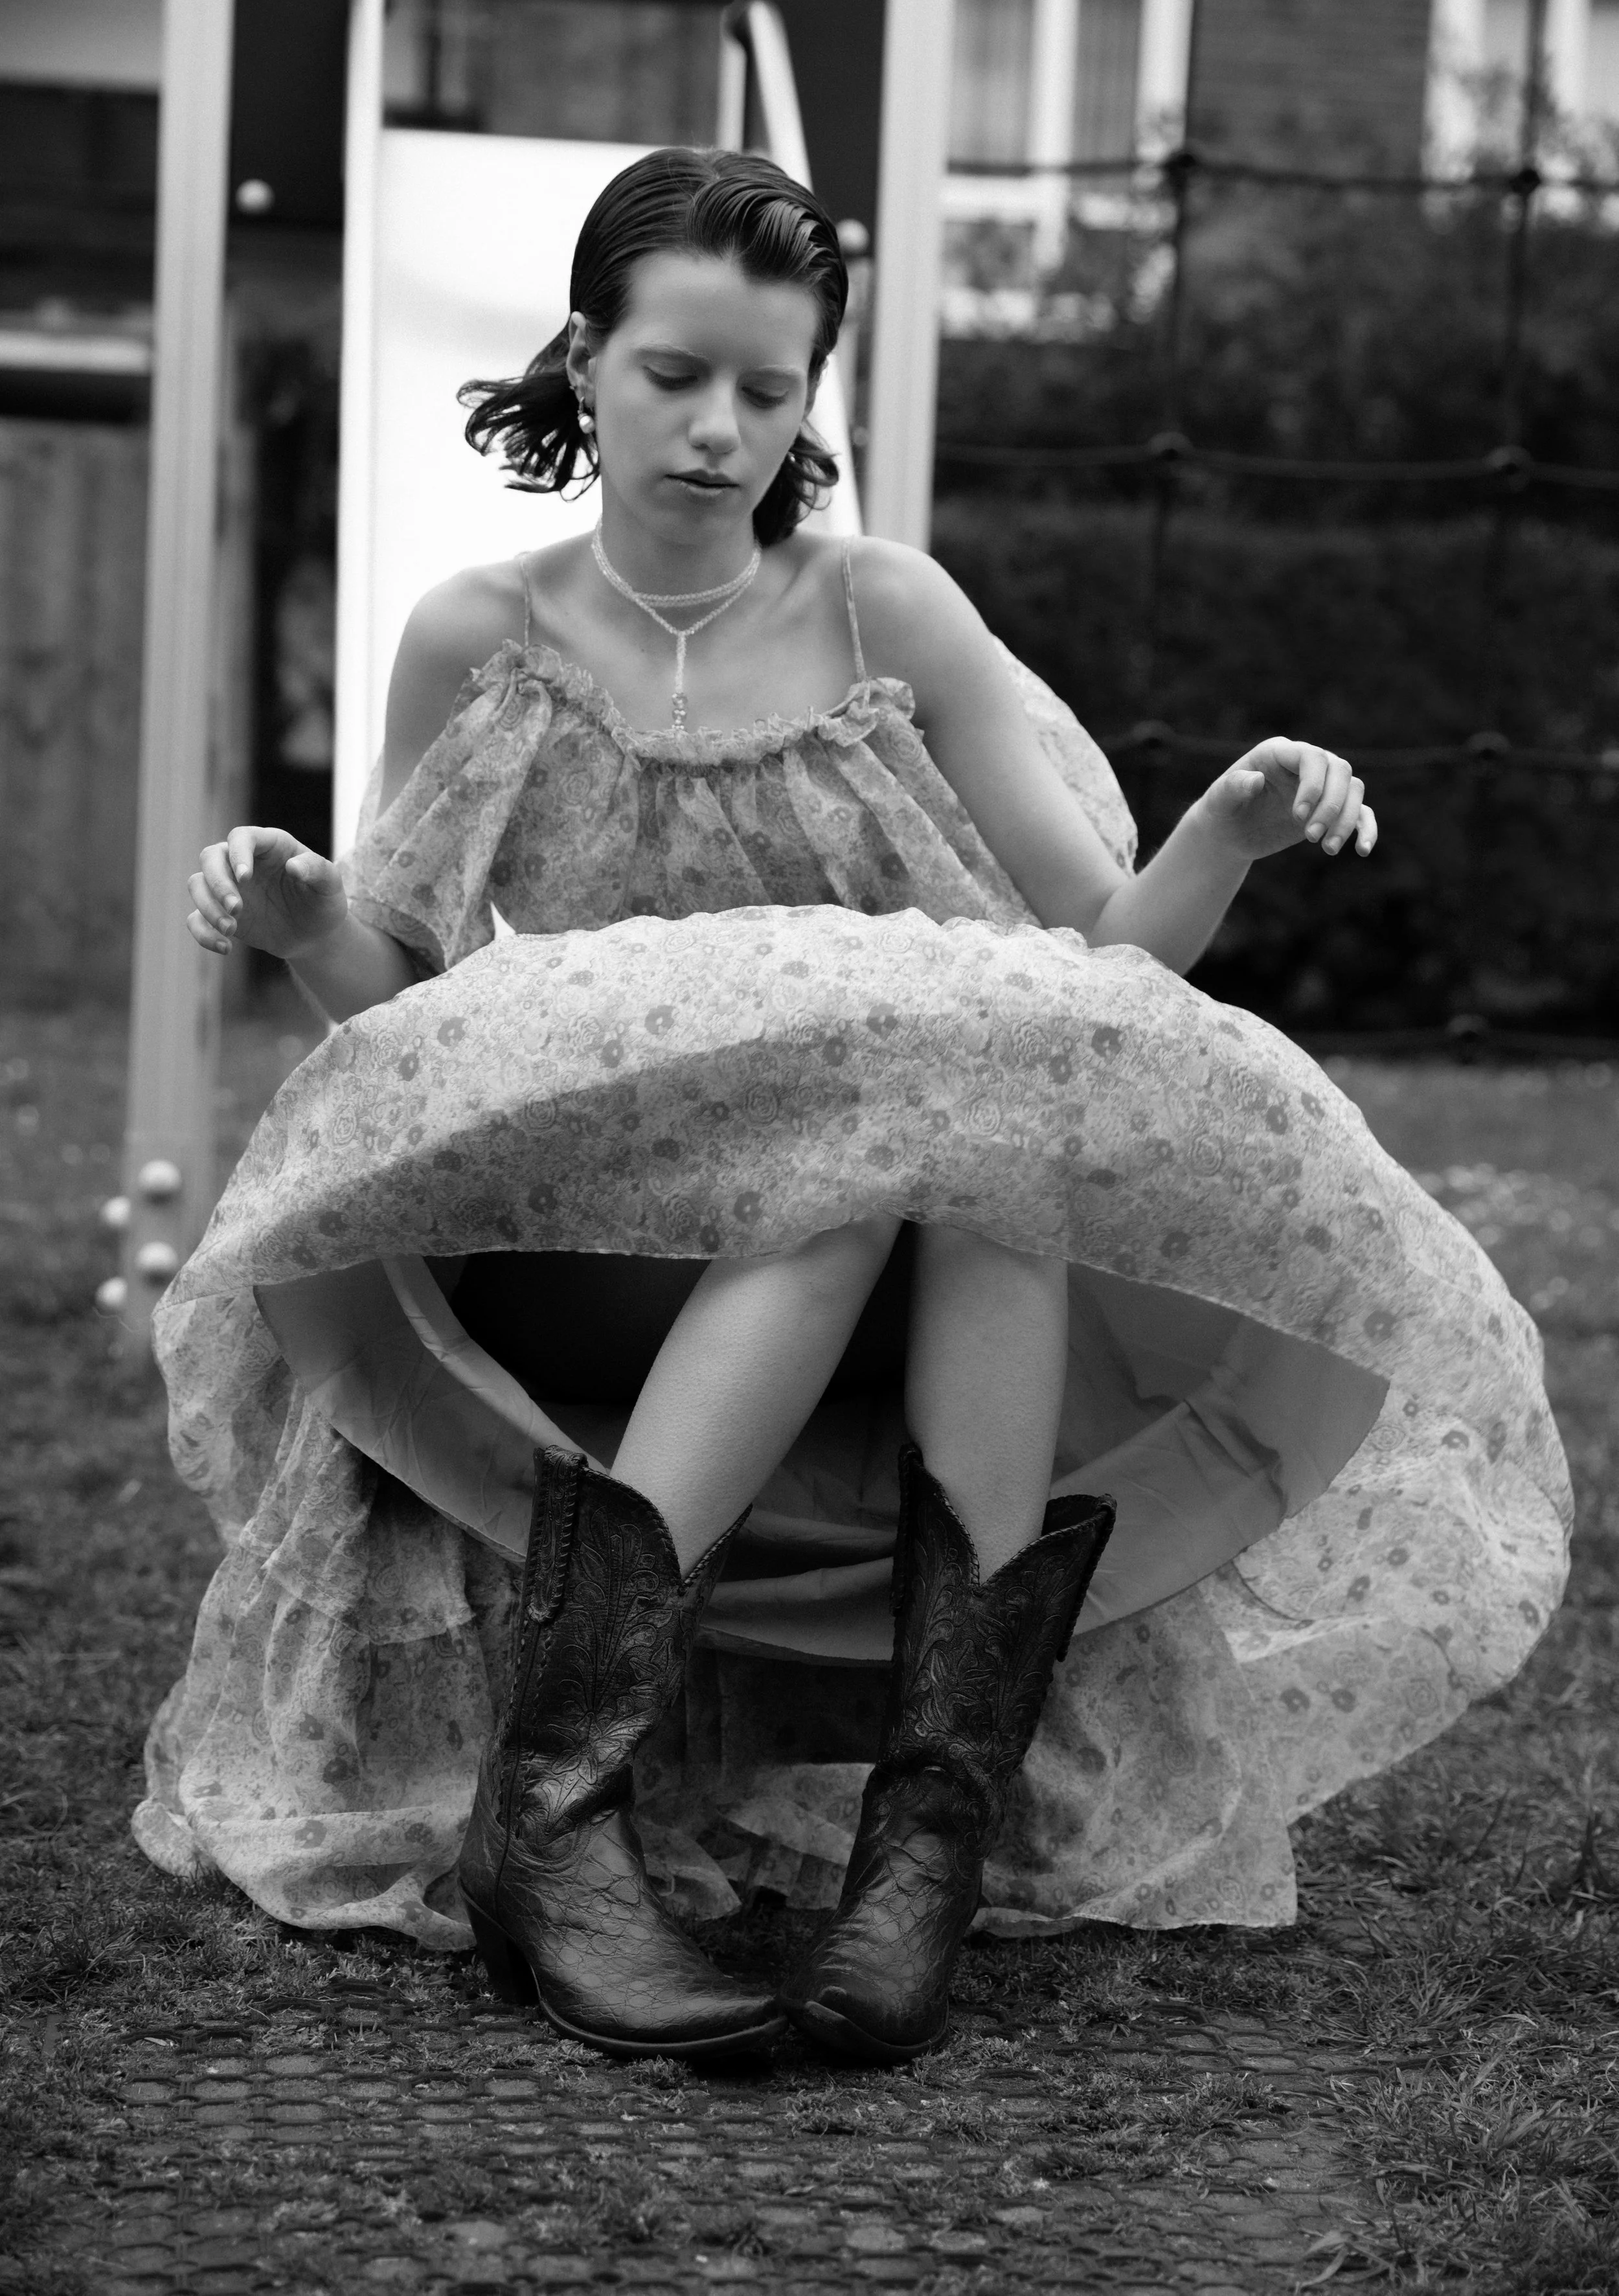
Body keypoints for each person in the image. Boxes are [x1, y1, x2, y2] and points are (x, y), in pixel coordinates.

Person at [142, 148, 1569, 2066]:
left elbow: (1107, 964)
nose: (720, 427)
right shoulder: (480, 633)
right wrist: (312, 911)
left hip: (866, 1238)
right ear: (585, 359)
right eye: (675, 374)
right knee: (861, 1167)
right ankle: (552, 1815)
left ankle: (924, 1840)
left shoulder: (884, 613)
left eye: (768, 386)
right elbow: (408, 1025)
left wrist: (1227, 818)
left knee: (970, 1167)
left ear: (813, 393)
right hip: (579, 1237)